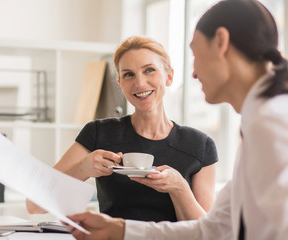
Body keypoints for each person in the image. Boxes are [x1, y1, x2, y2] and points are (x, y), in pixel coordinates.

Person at [65, 0, 288, 239]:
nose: (192, 72)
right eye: (128, 74)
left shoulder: (276, 123)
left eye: (194, 53)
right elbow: (214, 230)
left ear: (221, 42)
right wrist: (120, 230)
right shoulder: (261, 123)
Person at [26, 36, 218, 222]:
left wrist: (180, 189)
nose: (140, 83)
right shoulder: (99, 133)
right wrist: (83, 168)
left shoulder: (200, 145)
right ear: (120, 83)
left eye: (149, 70)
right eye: (128, 74)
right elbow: (34, 205)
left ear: (169, 77)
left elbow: (208, 233)